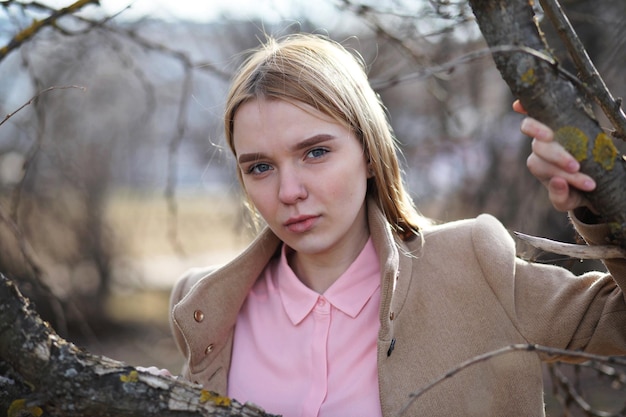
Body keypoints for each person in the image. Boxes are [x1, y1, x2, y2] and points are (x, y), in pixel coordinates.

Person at [167, 33, 626, 416]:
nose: (289, 191)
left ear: (368, 153)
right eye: (260, 167)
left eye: (316, 153)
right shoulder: (205, 305)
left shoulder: (473, 267)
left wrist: (602, 199)